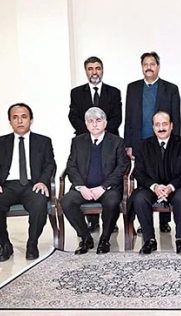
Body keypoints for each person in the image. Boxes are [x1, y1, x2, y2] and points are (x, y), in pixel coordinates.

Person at [0, 103, 56, 261]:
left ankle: (32, 243)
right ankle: (5, 244)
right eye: (15, 117)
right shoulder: (0, 142)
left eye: (24, 117)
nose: (20, 121)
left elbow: (50, 164)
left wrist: (43, 181)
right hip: (6, 186)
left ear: (31, 120)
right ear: (10, 121)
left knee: (39, 202)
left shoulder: (43, 141)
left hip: (33, 184)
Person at [125, 51, 181, 233]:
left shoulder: (170, 89)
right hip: (142, 143)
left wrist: (176, 143)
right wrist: (128, 144)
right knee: (146, 181)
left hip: (165, 140)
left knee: (165, 175)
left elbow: (176, 119)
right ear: (142, 67)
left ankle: (164, 221)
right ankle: (144, 221)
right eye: (145, 64)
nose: (149, 67)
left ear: (158, 66)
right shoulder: (132, 88)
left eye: (152, 64)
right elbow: (129, 118)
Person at [60, 107, 129, 255]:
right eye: (90, 121)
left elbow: (123, 167)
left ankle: (105, 239)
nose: (94, 124)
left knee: (111, 202)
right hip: (83, 187)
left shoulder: (117, 142)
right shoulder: (78, 142)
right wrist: (81, 187)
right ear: (86, 124)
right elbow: (71, 167)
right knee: (66, 201)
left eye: (98, 120)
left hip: (108, 188)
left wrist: (103, 187)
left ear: (105, 123)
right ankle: (86, 238)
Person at [68, 56, 123, 233]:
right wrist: (89, 132)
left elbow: (117, 117)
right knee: (88, 173)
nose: (94, 72)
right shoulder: (77, 93)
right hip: (85, 141)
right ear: (86, 71)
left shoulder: (113, 92)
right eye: (90, 68)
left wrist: (102, 132)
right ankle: (92, 222)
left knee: (106, 174)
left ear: (102, 70)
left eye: (97, 68)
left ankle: (110, 221)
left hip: (109, 142)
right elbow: (73, 116)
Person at [130, 111, 181, 255]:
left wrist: (171, 187)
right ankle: (149, 240)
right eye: (157, 125)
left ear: (171, 126)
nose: (161, 128)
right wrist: (155, 187)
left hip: (176, 186)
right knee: (140, 198)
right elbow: (139, 172)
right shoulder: (143, 145)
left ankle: (179, 239)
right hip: (152, 187)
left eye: (165, 124)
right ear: (153, 127)